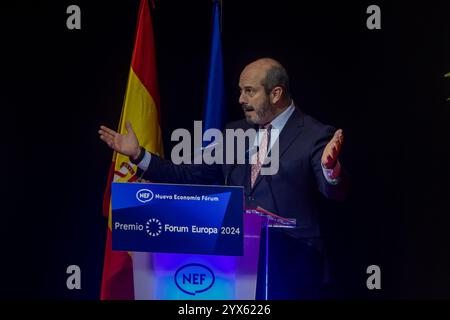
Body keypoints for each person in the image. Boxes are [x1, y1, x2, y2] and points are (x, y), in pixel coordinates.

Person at [99, 58, 348, 299]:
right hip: (237, 269)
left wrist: (330, 170)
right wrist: (138, 155)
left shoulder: (314, 133)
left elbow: (332, 190)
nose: (241, 99)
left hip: (295, 269)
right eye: (240, 91)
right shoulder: (234, 132)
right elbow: (188, 174)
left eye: (249, 91)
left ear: (276, 94)